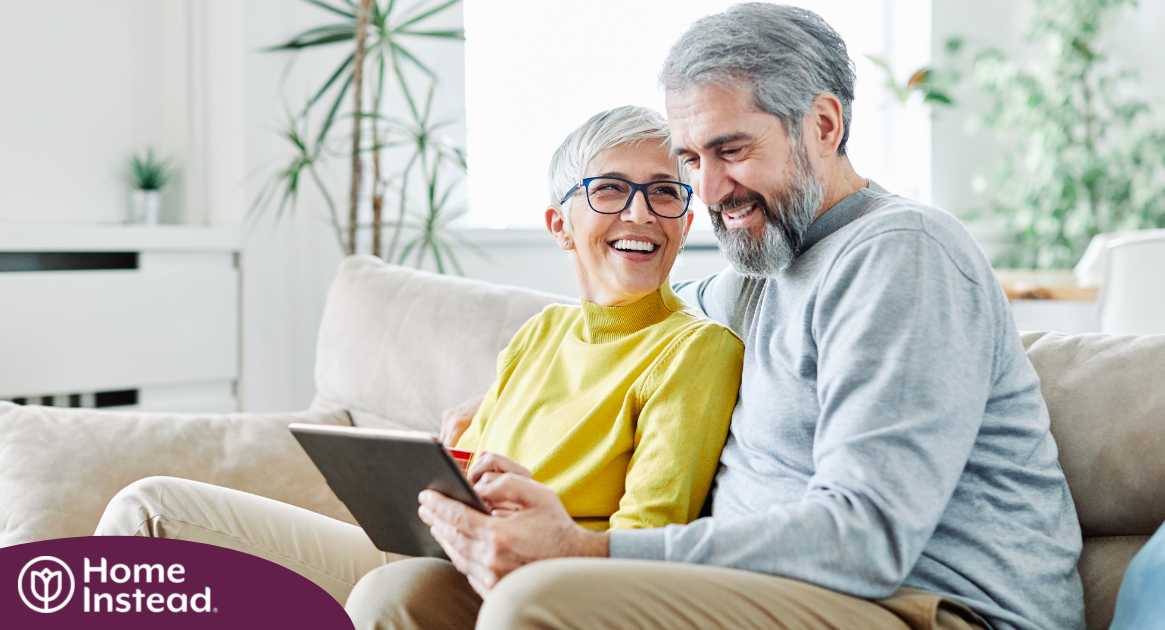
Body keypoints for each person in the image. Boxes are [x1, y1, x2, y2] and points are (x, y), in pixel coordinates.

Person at [415, 5, 1085, 630]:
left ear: (823, 126)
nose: (706, 191)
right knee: (409, 597)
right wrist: (506, 399)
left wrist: (589, 550)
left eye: (731, 150)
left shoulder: (901, 255)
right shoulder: (761, 269)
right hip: (790, 593)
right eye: (691, 160)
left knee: (536, 601)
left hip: (930, 606)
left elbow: (866, 537)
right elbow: (625, 327)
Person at [93, 105, 744, 621]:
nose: (641, 213)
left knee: (391, 593)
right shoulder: (543, 331)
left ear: (688, 221)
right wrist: (451, 457)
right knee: (149, 507)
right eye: (610, 190)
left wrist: (540, 518)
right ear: (559, 223)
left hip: (524, 580)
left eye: (666, 193)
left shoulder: (696, 349)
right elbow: (486, 464)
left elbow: (648, 542)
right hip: (431, 545)